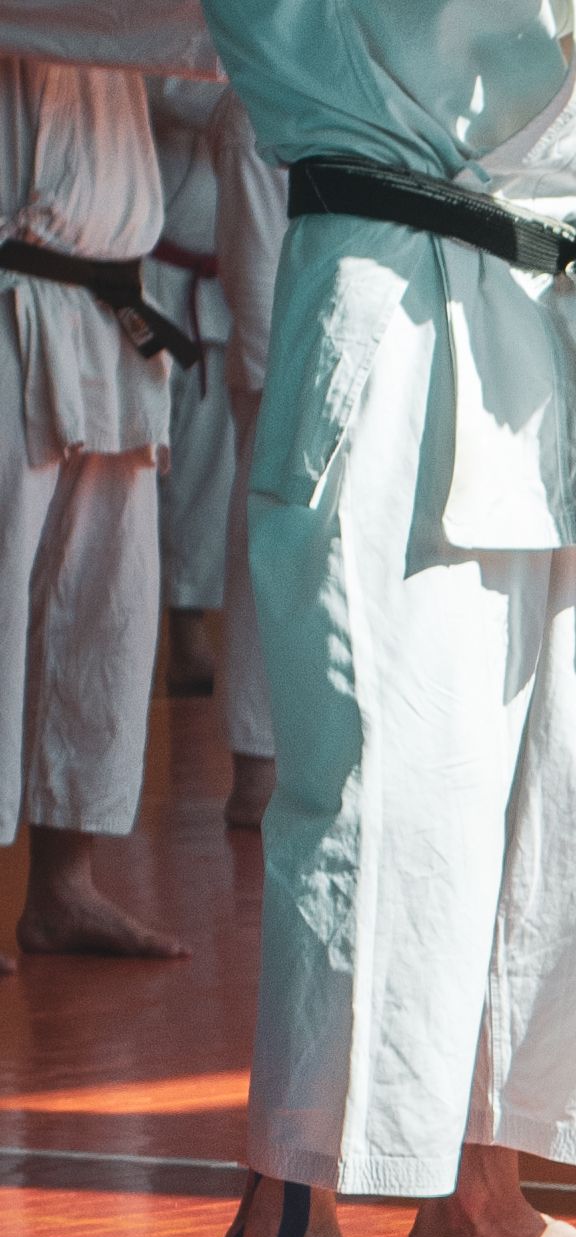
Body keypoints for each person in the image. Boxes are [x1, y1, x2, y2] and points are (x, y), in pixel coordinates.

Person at [199, 0, 576, 1237]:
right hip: (394, 302)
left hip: (545, 313)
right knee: (384, 787)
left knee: (568, 788)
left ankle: (480, 1189)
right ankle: (290, 1212)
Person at [0, 10, 210, 976]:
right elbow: (155, 29)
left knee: (105, 610)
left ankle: (62, 883)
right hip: (14, 292)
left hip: (107, 301)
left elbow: (180, 75)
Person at [204, 76, 279, 834]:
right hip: (281, 364)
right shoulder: (257, 98)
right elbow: (252, 259)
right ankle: (256, 768)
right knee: (263, 547)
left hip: (364, 351)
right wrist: (269, 372)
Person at [144, 71, 228, 700]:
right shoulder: (162, 29)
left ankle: (185, 636)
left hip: (216, 289)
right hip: (144, 279)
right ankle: (140, 626)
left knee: (202, 473)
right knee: (137, 464)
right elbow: (177, 90)